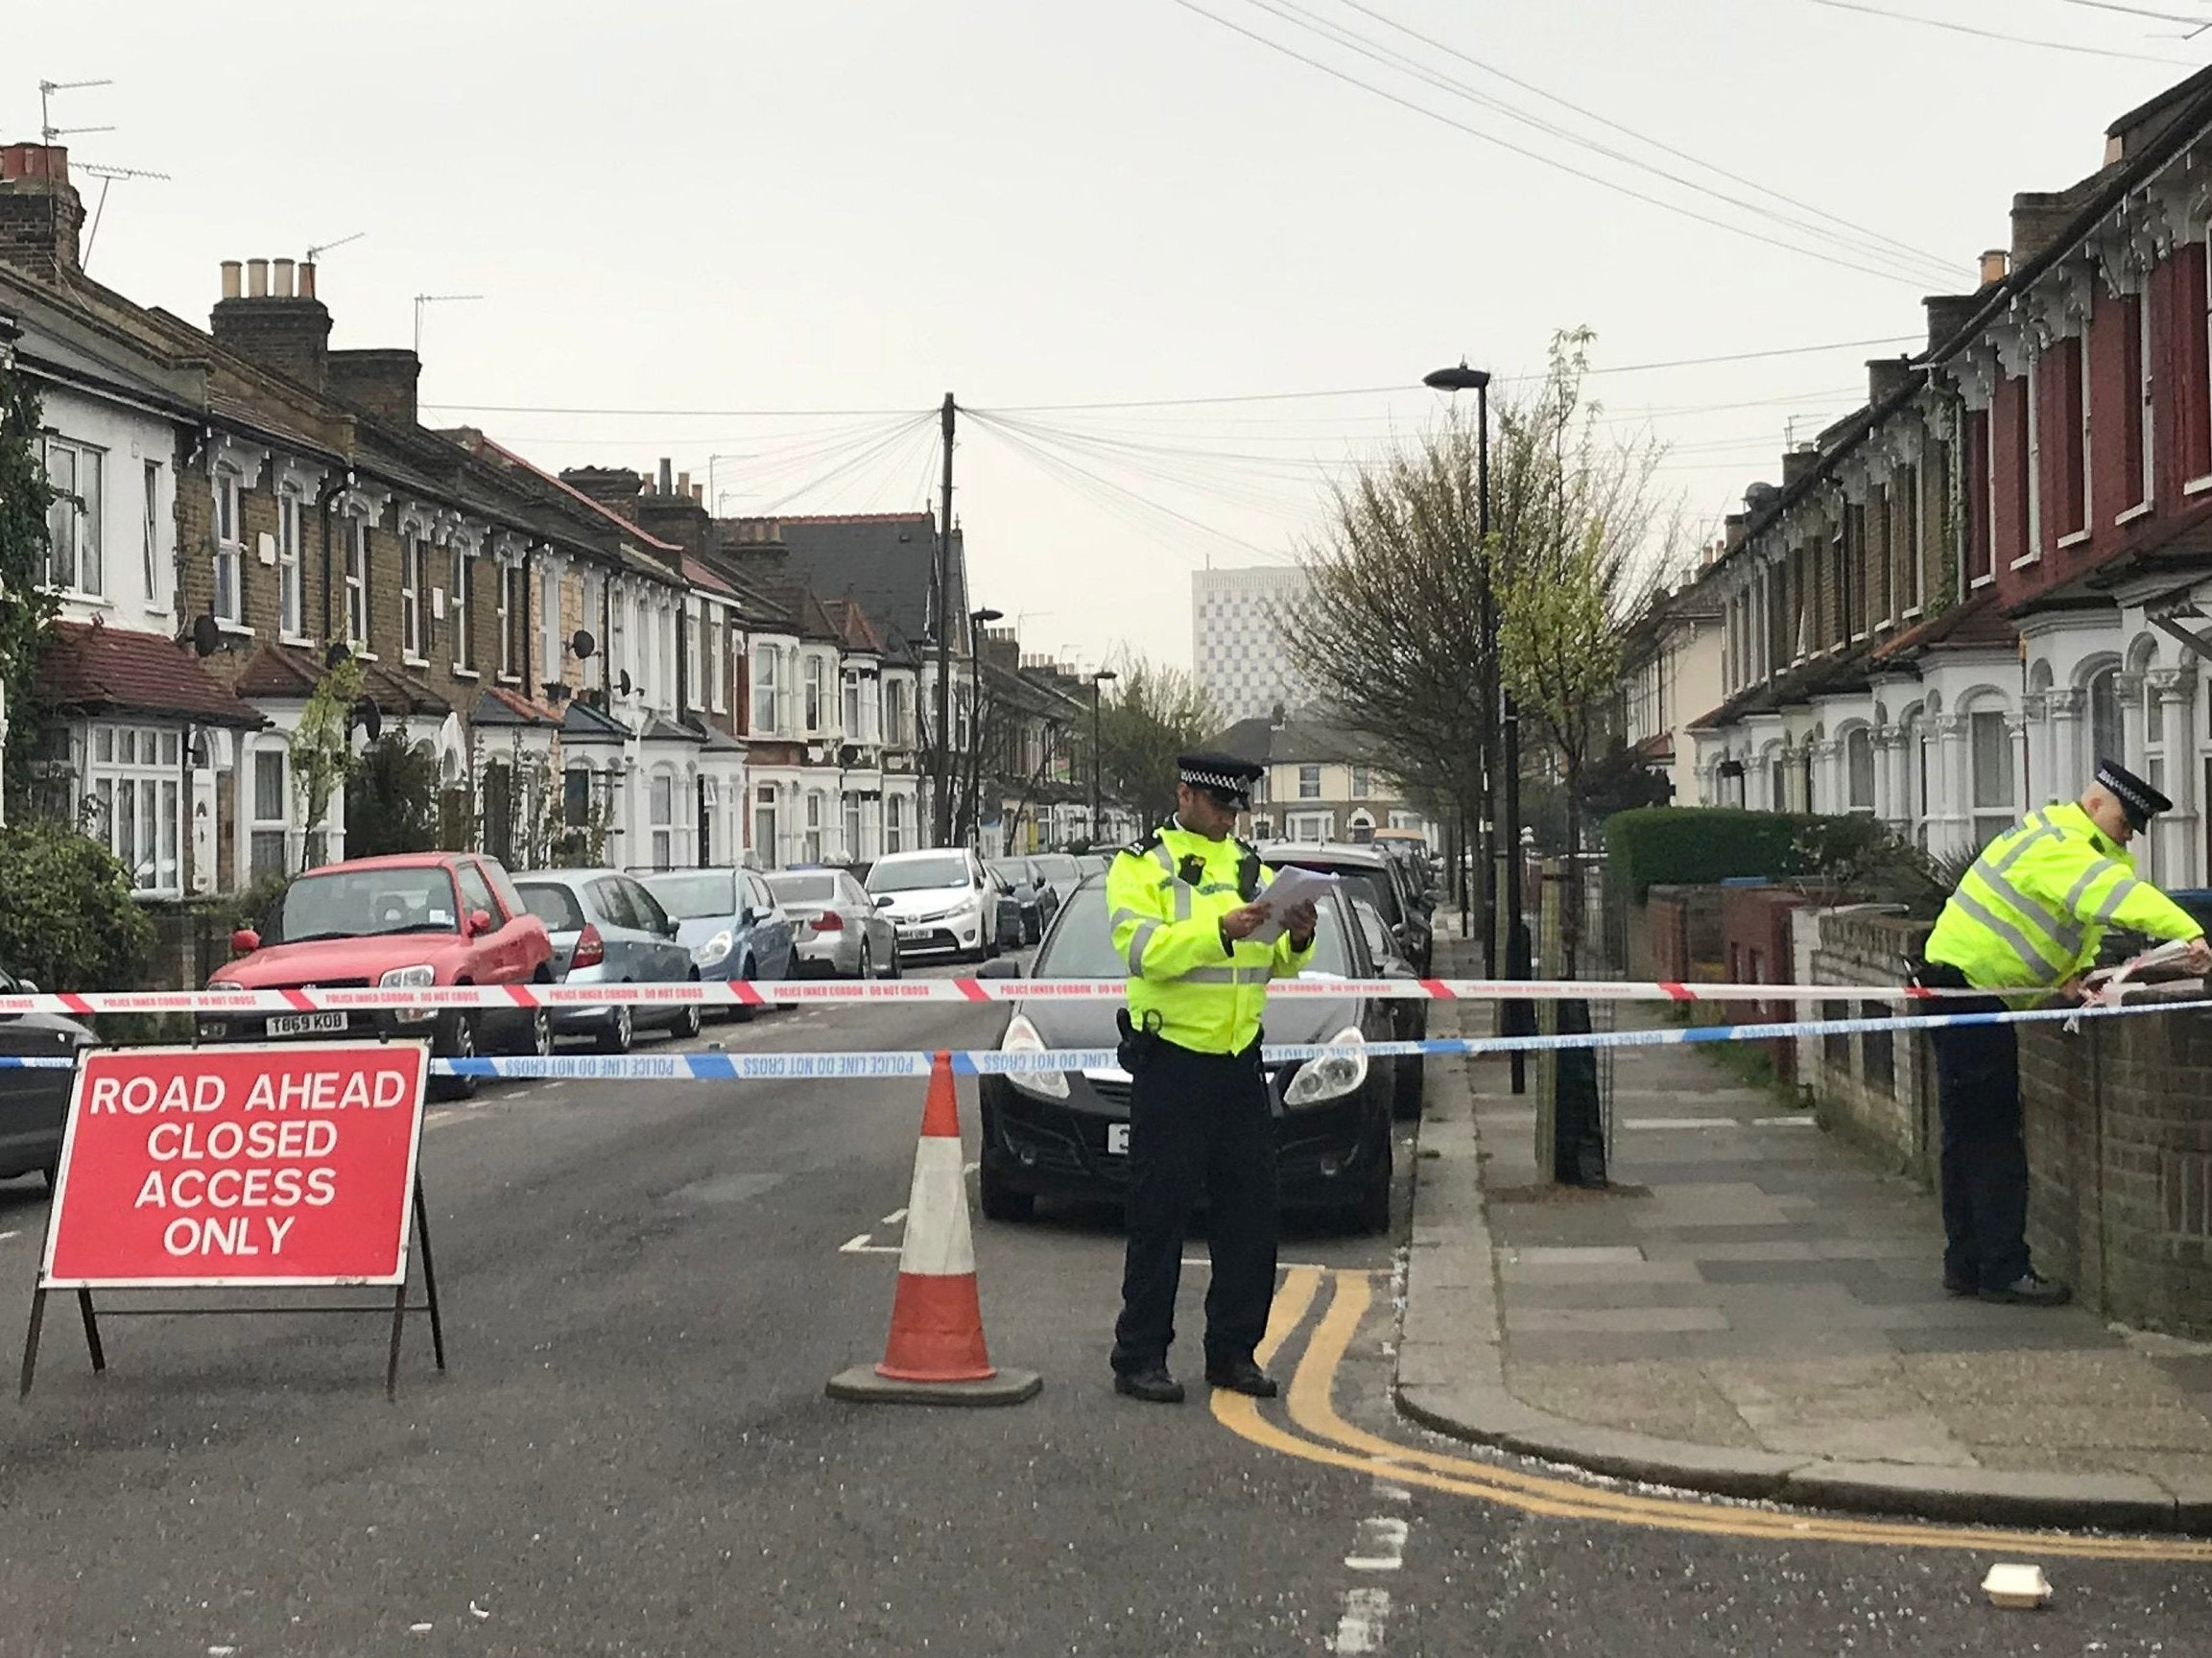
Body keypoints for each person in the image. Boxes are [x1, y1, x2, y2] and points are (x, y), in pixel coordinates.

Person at [1918, 760, 2211, 1306]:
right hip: (1969, 995)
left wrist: (2065, 983)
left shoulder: (2067, 843)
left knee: (1968, 1139)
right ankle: (2003, 1270)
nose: (2129, 834)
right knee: (1994, 1142)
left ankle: (1967, 1264)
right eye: (2126, 822)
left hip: (1968, 991)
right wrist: (2189, 932)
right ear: (2097, 804)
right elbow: (2111, 896)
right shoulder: (2063, 846)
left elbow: (2051, 930)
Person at [1106, 750, 1319, 1404]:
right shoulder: (1139, 865)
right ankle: (1139, 1356)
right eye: (1220, 807)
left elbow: (1276, 964)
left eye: (1236, 810)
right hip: (1170, 1060)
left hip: (1238, 1062)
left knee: (1250, 1217)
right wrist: (1217, 931)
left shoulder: (1251, 868)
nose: (1230, 820)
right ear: (1185, 796)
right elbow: (1142, 950)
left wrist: (1299, 935)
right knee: (1159, 1215)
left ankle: (1232, 1352)